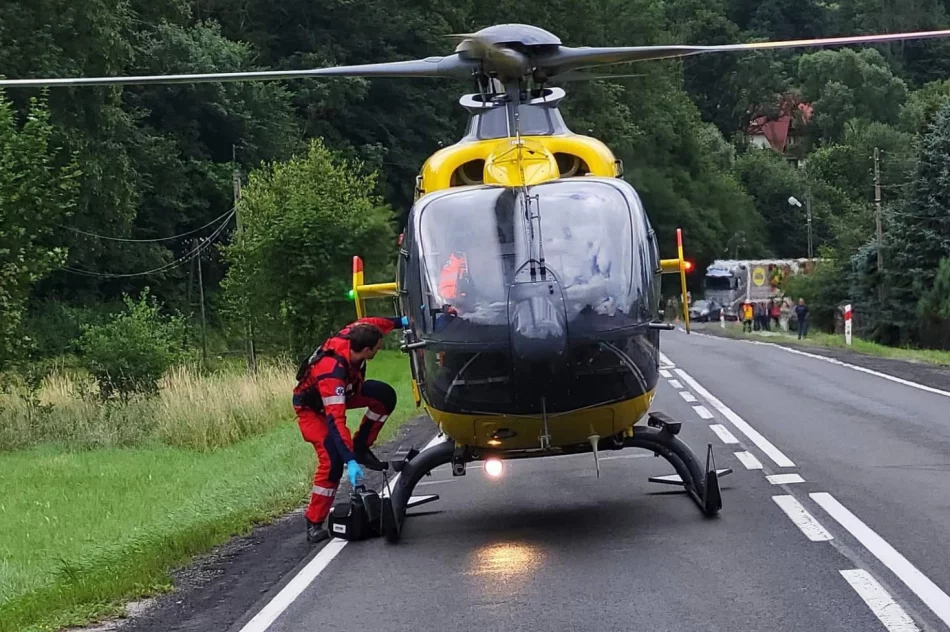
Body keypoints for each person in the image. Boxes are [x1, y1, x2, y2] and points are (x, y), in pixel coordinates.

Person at [293, 316, 407, 543]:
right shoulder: (331, 371)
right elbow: (335, 420)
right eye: (377, 348)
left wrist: (405, 321)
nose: (380, 348)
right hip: (313, 409)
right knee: (332, 459)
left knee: (384, 396)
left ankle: (362, 446)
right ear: (366, 350)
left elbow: (373, 321)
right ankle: (314, 523)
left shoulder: (357, 332)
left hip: (349, 390)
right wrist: (349, 461)